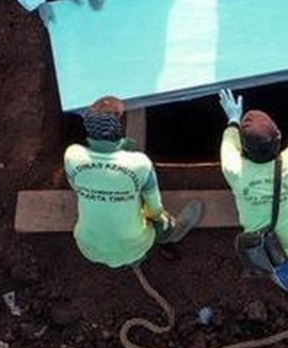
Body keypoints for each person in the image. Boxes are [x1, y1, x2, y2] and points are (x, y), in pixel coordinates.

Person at [217, 63, 288, 299]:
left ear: (245, 149)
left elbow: (228, 145)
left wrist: (233, 120)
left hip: (266, 249)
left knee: (281, 264)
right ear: (278, 140)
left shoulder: (233, 168)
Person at [64, 97, 201, 268]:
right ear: (118, 132)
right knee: (162, 221)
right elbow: (155, 208)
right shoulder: (140, 164)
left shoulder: (72, 155)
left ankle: (134, 256)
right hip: (135, 244)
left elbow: (75, 185)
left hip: (88, 247)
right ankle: (172, 234)